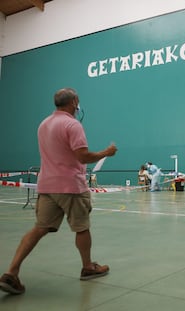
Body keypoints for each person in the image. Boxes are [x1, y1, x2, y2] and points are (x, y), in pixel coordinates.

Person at [0, 88, 118, 295]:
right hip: (70, 186)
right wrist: (106, 153)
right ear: (74, 102)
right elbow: (82, 157)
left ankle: (12, 272)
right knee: (81, 227)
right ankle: (88, 267)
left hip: (47, 185)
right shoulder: (72, 124)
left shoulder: (44, 124)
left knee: (39, 228)